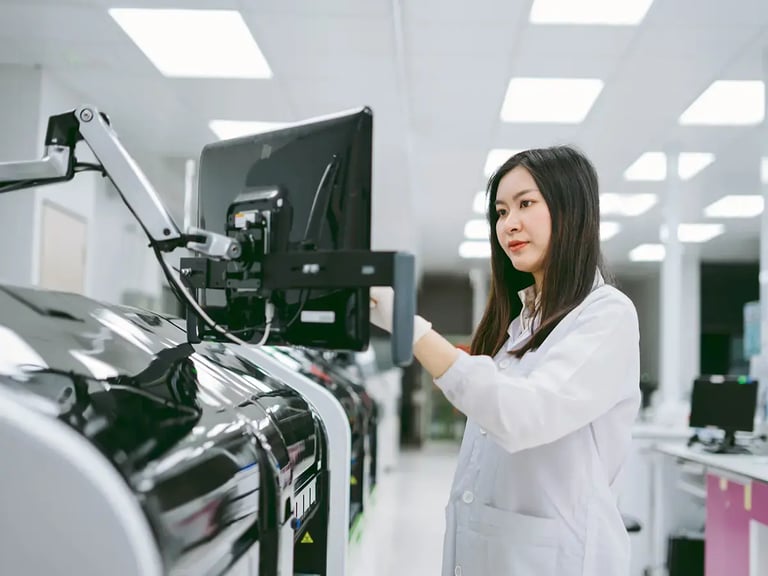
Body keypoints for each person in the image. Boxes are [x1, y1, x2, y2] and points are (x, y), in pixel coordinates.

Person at [370, 146, 640, 576]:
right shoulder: (521, 322)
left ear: (570, 210)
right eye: (500, 211)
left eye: (525, 204)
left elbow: (522, 414)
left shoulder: (607, 313)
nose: (508, 224)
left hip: (557, 560)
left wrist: (413, 329)